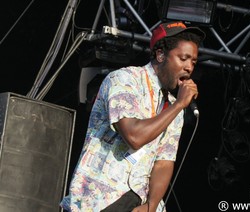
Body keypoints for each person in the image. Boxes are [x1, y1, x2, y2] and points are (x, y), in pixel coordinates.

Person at [60, 21, 205, 212]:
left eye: (193, 62)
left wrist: (151, 206)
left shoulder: (173, 106)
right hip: (102, 199)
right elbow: (134, 137)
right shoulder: (125, 80)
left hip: (139, 202)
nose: (188, 67)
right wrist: (179, 105)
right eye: (183, 58)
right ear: (160, 55)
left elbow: (164, 162)